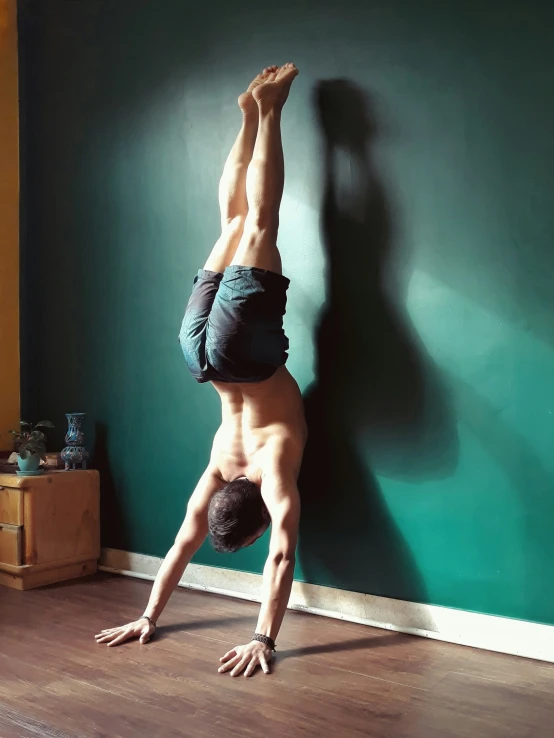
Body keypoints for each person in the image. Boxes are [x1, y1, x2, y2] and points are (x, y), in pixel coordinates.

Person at [95, 64, 306, 678]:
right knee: (232, 227)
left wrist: (264, 639)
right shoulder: (215, 468)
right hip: (199, 359)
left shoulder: (270, 470)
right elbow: (180, 547)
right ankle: (247, 114)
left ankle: (269, 110)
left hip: (245, 355)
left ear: (258, 509)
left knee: (259, 222)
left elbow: (283, 556)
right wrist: (148, 614)